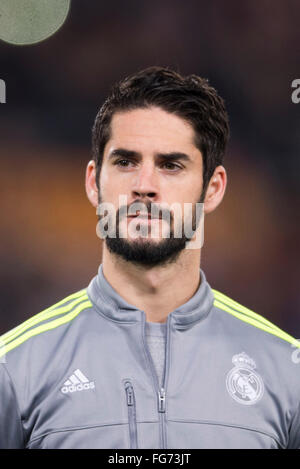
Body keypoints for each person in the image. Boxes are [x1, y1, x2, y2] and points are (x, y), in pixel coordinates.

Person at [0, 66, 299, 449]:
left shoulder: (287, 371)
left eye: (171, 165)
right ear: (94, 182)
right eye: (125, 162)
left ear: (213, 189)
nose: (144, 186)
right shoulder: (15, 369)